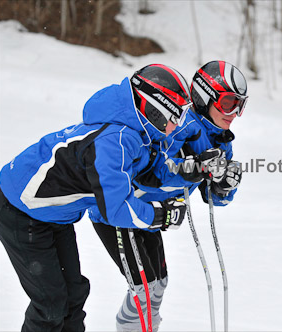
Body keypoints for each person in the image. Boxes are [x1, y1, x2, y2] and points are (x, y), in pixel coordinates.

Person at [0, 63, 189, 331]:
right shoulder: (114, 140)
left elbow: (150, 173)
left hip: (54, 215)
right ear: (153, 109)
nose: (176, 125)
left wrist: (194, 170)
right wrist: (161, 214)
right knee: (51, 304)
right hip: (21, 211)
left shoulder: (137, 134)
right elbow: (116, 209)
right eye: (175, 115)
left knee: (74, 293)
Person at [89, 60, 247, 332]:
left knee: (158, 284)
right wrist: (193, 167)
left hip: (151, 213)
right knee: (145, 288)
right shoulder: (177, 124)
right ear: (204, 97)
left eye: (240, 105)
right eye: (228, 103)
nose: (234, 113)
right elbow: (150, 172)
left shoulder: (221, 140)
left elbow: (213, 198)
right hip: (122, 209)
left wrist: (224, 185)